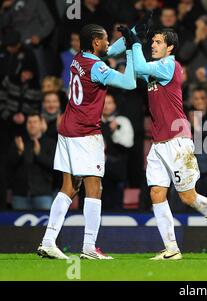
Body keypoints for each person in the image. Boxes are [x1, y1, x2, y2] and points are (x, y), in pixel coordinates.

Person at [128, 27, 207, 260]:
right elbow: (132, 76)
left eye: (158, 42)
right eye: (152, 42)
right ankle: (171, 248)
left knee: (188, 197)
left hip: (177, 141)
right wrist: (131, 45)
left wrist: (136, 44)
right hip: (159, 143)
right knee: (157, 192)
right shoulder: (153, 69)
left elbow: (140, 67)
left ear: (169, 47)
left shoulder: (170, 65)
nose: (153, 45)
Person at [37, 23, 137, 260]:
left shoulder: (79, 58)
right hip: (85, 133)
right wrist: (132, 51)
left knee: (69, 187)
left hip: (67, 128)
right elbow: (130, 83)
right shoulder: (97, 67)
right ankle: (89, 247)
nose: (107, 43)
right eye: (104, 40)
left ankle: (48, 241)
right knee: (95, 188)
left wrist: (130, 36)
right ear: (95, 42)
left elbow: (109, 51)